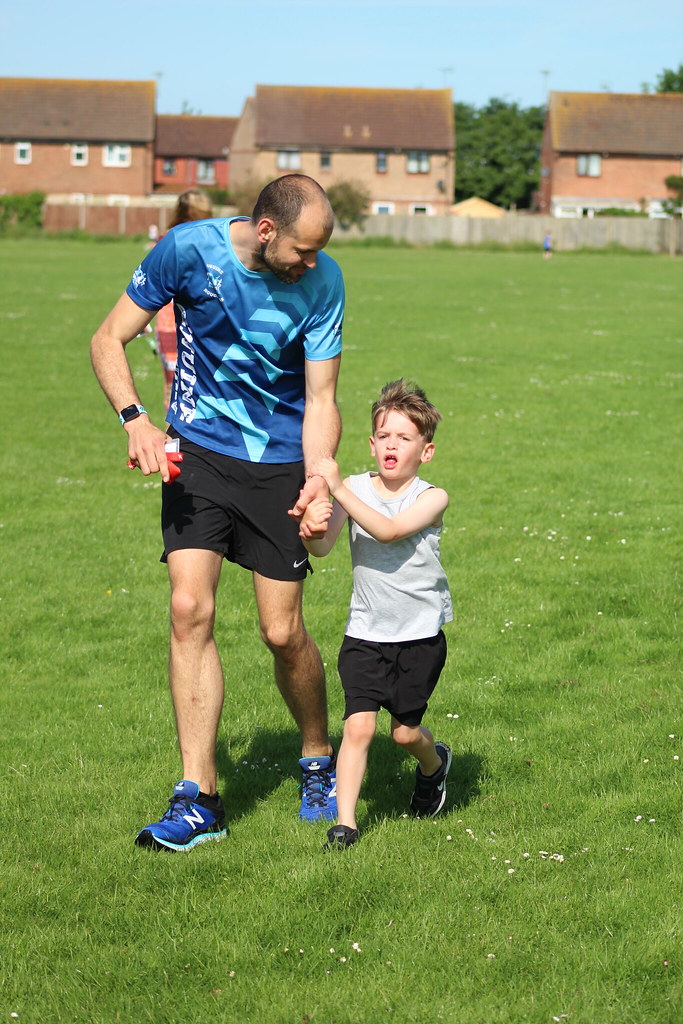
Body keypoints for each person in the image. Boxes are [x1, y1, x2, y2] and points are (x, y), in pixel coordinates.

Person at [90, 174, 345, 851]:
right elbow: (108, 338)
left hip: (278, 464)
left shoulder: (324, 282)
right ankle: (199, 796)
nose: (311, 263)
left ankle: (317, 759)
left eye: (319, 251)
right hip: (197, 454)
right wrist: (135, 420)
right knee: (188, 609)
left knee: (281, 632)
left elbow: (322, 398)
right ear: (265, 230)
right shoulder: (187, 250)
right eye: (302, 250)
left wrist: (319, 475)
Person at [297, 379, 453, 849]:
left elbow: (387, 531)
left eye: (404, 438)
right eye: (384, 436)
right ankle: (345, 824)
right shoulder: (357, 488)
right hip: (365, 632)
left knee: (404, 735)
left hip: (418, 636)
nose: (392, 445)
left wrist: (337, 488)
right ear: (371, 443)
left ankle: (434, 765)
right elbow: (323, 548)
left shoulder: (432, 498)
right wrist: (310, 530)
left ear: (425, 451)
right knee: (359, 725)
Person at [154, 191, 214, 410]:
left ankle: (173, 429)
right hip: (202, 322)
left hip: (171, 321)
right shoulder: (214, 241)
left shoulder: (168, 239)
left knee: (174, 389)